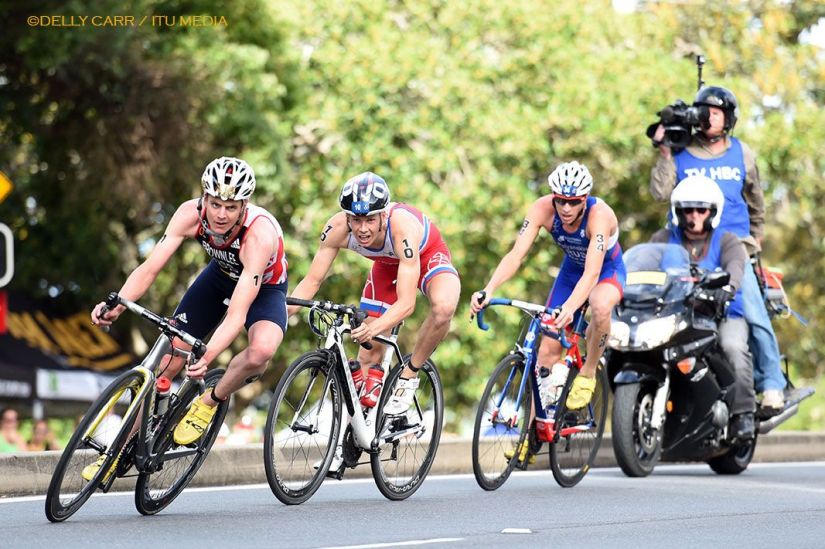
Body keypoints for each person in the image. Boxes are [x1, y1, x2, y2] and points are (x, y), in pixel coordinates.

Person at [89, 156, 288, 478]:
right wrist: (120, 303)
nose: (221, 214)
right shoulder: (188, 214)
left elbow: (237, 314)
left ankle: (210, 400)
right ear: (204, 198)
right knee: (171, 356)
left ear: (245, 206)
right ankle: (119, 450)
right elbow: (151, 267)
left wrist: (209, 354)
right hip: (219, 278)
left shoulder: (258, 236)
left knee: (262, 351)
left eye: (232, 207)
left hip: (263, 289)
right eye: (215, 204)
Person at [650, 85, 786, 414]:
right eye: (703, 110)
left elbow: (756, 200)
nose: (708, 117)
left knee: (752, 313)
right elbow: (659, 193)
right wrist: (665, 151)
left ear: (728, 118)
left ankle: (771, 385)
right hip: (685, 249)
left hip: (733, 249)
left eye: (715, 111)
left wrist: (756, 237)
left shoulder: (743, 152)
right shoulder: (681, 151)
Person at [289, 171, 460, 424]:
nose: (362, 228)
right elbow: (312, 281)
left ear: (383, 214)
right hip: (386, 267)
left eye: (369, 219)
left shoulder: (401, 226)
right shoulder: (336, 228)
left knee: (444, 307)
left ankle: (409, 376)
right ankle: (354, 433)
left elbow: (407, 303)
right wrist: (281, 318)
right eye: (355, 220)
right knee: (369, 355)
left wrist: (376, 327)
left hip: (425, 258)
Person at [470, 161, 626, 422]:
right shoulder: (542, 208)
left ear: (585, 199)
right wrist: (488, 289)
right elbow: (516, 255)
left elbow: (592, 274)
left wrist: (570, 307)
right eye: (561, 200)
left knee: (599, 306)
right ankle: (532, 432)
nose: (566, 208)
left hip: (605, 271)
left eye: (574, 202)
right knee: (546, 351)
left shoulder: (600, 215)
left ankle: (587, 373)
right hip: (571, 271)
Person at [651, 174, 756, 439]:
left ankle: (744, 414)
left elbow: (735, 267)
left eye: (701, 209)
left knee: (733, 346)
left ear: (713, 211)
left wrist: (728, 288)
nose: (694, 215)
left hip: (721, 312)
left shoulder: (727, 240)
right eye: (688, 209)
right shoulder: (663, 238)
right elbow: (644, 266)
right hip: (675, 313)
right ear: (678, 212)